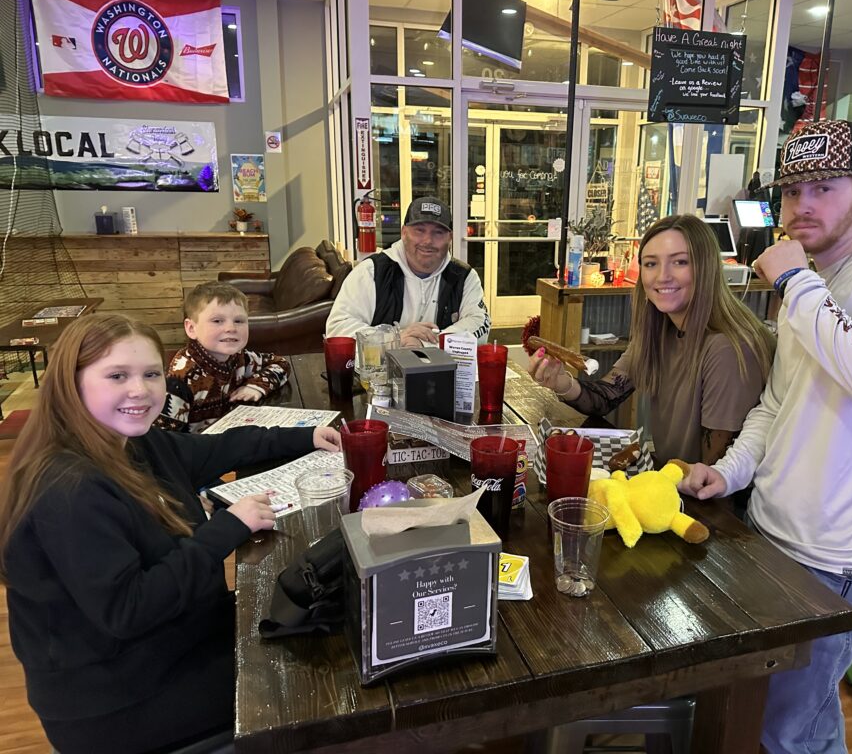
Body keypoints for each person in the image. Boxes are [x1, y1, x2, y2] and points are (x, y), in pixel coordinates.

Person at [680, 119, 852, 753]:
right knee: (765, 715)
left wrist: (795, 281)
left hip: (843, 557)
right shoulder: (810, 288)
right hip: (772, 534)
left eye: (824, 187)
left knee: (788, 731)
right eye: (791, 191)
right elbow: (779, 404)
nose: (801, 205)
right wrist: (729, 471)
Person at [0, 313, 342, 753]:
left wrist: (306, 436)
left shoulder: (133, 443)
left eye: (151, 374)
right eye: (117, 376)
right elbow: (129, 609)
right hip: (116, 700)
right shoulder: (69, 488)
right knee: (311, 675)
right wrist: (227, 528)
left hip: (171, 640)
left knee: (312, 613)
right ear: (71, 383)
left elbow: (220, 446)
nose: (140, 390)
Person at [529, 214, 775, 466]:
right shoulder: (658, 330)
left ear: (707, 268)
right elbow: (606, 397)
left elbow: (713, 472)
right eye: (650, 264)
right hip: (669, 477)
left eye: (680, 262)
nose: (662, 276)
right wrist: (562, 383)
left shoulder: (728, 348)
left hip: (696, 488)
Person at [325, 196, 491, 347]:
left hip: (442, 370)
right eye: (419, 230)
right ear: (404, 233)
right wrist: (395, 339)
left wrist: (427, 343)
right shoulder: (371, 272)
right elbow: (338, 328)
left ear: (450, 238)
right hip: (382, 370)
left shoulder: (464, 277)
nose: (428, 240)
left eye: (438, 232)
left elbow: (479, 324)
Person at [157, 281, 291, 433]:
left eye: (239, 321)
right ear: (191, 328)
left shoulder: (240, 357)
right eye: (217, 321)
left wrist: (255, 386)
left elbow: (281, 364)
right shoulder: (179, 379)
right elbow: (164, 439)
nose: (231, 328)